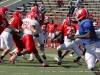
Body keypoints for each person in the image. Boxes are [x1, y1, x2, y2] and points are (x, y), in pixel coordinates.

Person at [74, 8, 100, 75]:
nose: (76, 16)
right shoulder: (81, 22)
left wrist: (77, 36)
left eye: (78, 14)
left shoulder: (87, 21)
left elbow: (88, 35)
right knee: (90, 66)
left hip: (96, 45)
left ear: (81, 14)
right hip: (88, 48)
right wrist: (73, 36)